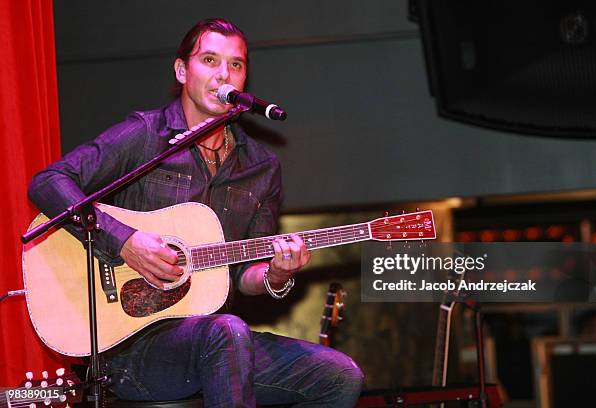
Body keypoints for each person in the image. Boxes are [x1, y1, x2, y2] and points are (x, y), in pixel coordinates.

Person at [28, 18, 363, 407]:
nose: (225, 74)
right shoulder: (145, 135)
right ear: (182, 71)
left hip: (217, 341)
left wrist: (276, 273)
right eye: (210, 60)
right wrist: (124, 242)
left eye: (236, 65)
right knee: (227, 332)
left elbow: (242, 274)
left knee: (339, 376)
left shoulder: (261, 166)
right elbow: (48, 182)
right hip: (128, 347)